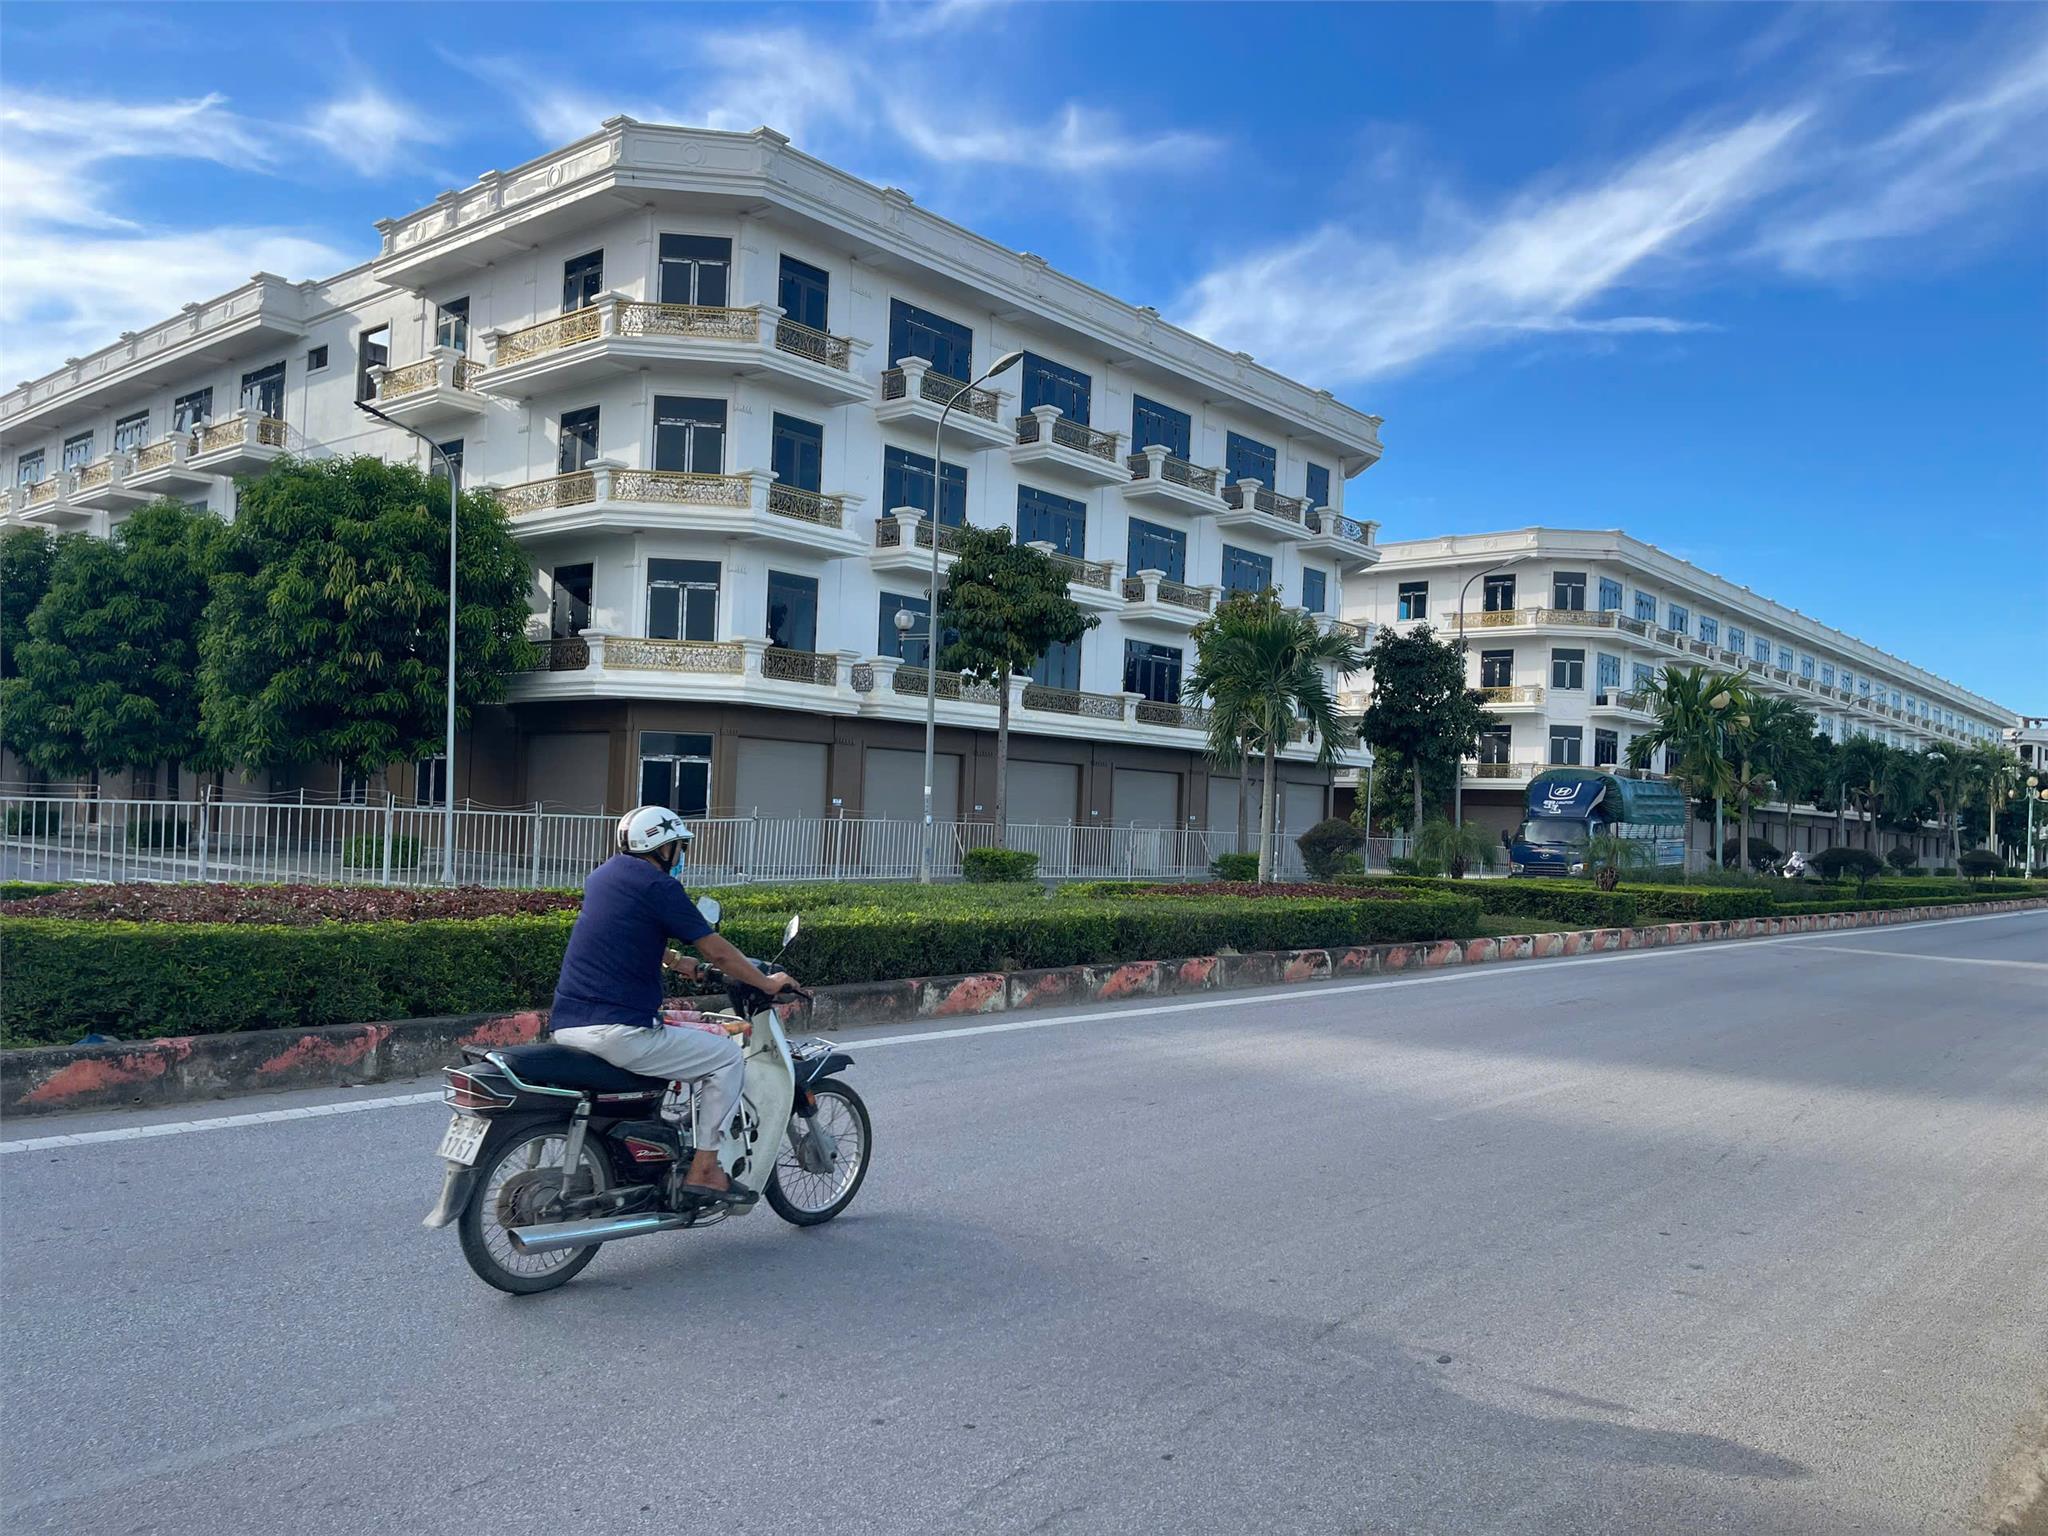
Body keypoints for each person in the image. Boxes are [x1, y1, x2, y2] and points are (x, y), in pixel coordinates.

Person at [551, 806, 798, 1203]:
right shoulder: (659, 886)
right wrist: (767, 982)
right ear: (662, 848)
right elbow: (717, 952)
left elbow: (621, 930)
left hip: (569, 1024)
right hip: (619, 1030)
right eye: (678, 847)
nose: (681, 855)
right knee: (725, 1058)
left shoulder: (602, 877)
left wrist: (676, 961)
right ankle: (705, 1170)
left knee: (676, 1036)